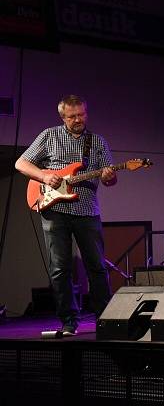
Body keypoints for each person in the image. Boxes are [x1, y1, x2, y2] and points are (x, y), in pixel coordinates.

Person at [15, 95, 116, 336]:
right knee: (60, 268)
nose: (78, 119)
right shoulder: (48, 136)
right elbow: (21, 163)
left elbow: (110, 179)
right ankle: (69, 321)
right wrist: (44, 176)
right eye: (72, 116)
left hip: (87, 210)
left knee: (97, 267)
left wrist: (109, 176)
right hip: (55, 210)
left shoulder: (97, 142)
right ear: (63, 117)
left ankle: (105, 319)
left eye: (82, 114)